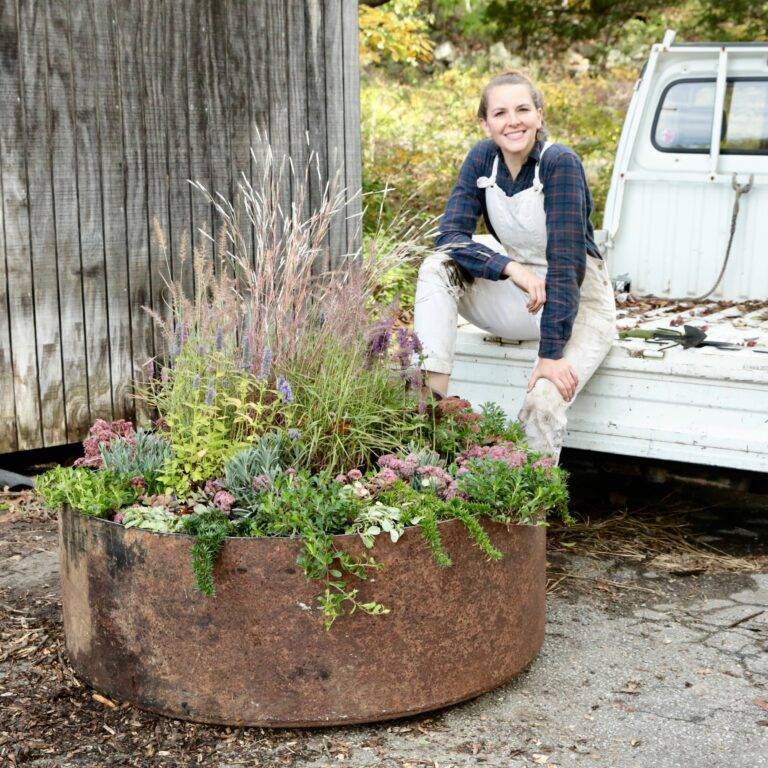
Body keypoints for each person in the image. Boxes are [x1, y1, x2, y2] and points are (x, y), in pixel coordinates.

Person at [414, 71, 616, 463]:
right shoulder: (482, 159)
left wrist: (551, 355)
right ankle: (431, 401)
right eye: (501, 112)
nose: (513, 121)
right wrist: (511, 269)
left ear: (539, 116)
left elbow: (567, 265)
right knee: (436, 266)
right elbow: (450, 237)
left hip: (577, 304)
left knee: (543, 402)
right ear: (485, 123)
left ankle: (532, 514)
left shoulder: (560, 164)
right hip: (523, 297)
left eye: (523, 109)